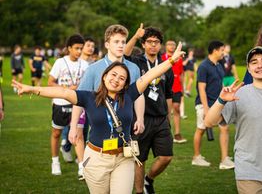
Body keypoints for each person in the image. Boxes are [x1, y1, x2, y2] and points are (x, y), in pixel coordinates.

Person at [12, 42, 185, 194]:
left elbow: (150, 75)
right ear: (104, 76)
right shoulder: (89, 97)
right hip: (96, 159)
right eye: (113, 75)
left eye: (122, 78)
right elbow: (63, 92)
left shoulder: (130, 95)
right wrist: (32, 89)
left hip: (123, 159)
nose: (116, 80)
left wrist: (171, 60)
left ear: (126, 84)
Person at [68, 25, 145, 180]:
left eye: (123, 42)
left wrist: (140, 118)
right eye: (116, 41)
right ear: (107, 44)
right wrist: (73, 127)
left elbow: (139, 95)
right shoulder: (93, 69)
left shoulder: (133, 68)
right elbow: (78, 99)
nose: (121, 45)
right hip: (99, 132)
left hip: (124, 131)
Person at [205, 46, 262, 194]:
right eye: (254, 62)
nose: (259, 65)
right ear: (248, 68)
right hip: (249, 172)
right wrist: (221, 100)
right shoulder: (238, 94)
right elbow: (208, 122)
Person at [125, 25, 174, 194]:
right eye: (149, 42)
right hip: (141, 118)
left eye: (156, 42)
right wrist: (135, 36)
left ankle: (149, 179)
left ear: (160, 45)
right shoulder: (136, 61)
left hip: (161, 118)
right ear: (144, 44)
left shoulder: (167, 64)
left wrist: (169, 116)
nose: (153, 45)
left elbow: (168, 94)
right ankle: (139, 191)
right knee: (140, 158)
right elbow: (124, 54)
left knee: (166, 157)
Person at [48, 34, 89, 176]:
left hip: (78, 104)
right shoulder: (60, 62)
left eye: (81, 49)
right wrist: (66, 90)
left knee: (78, 134)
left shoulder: (85, 64)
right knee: (56, 133)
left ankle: (82, 168)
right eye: (76, 48)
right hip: (60, 103)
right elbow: (50, 82)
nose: (79, 51)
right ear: (69, 48)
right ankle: (55, 162)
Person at [192, 40, 234, 169]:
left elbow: (220, 84)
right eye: (222, 50)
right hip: (205, 104)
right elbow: (201, 89)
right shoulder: (204, 66)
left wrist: (223, 97)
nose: (223, 52)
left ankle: (224, 159)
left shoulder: (219, 65)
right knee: (201, 130)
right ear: (215, 50)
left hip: (218, 104)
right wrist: (206, 108)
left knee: (224, 128)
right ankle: (196, 157)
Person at [60, 36, 96, 167]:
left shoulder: (93, 63)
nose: (90, 48)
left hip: (87, 100)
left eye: (92, 46)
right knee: (73, 125)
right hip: (73, 98)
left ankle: (79, 156)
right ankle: (66, 145)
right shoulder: (75, 61)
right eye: (88, 45)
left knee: (84, 128)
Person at [162, 40, 187, 144]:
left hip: (176, 87)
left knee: (176, 108)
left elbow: (181, 74)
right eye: (169, 44)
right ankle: (166, 133)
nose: (171, 46)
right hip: (164, 87)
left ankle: (177, 134)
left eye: (173, 45)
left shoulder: (179, 59)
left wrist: (182, 88)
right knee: (165, 111)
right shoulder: (162, 58)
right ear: (165, 46)